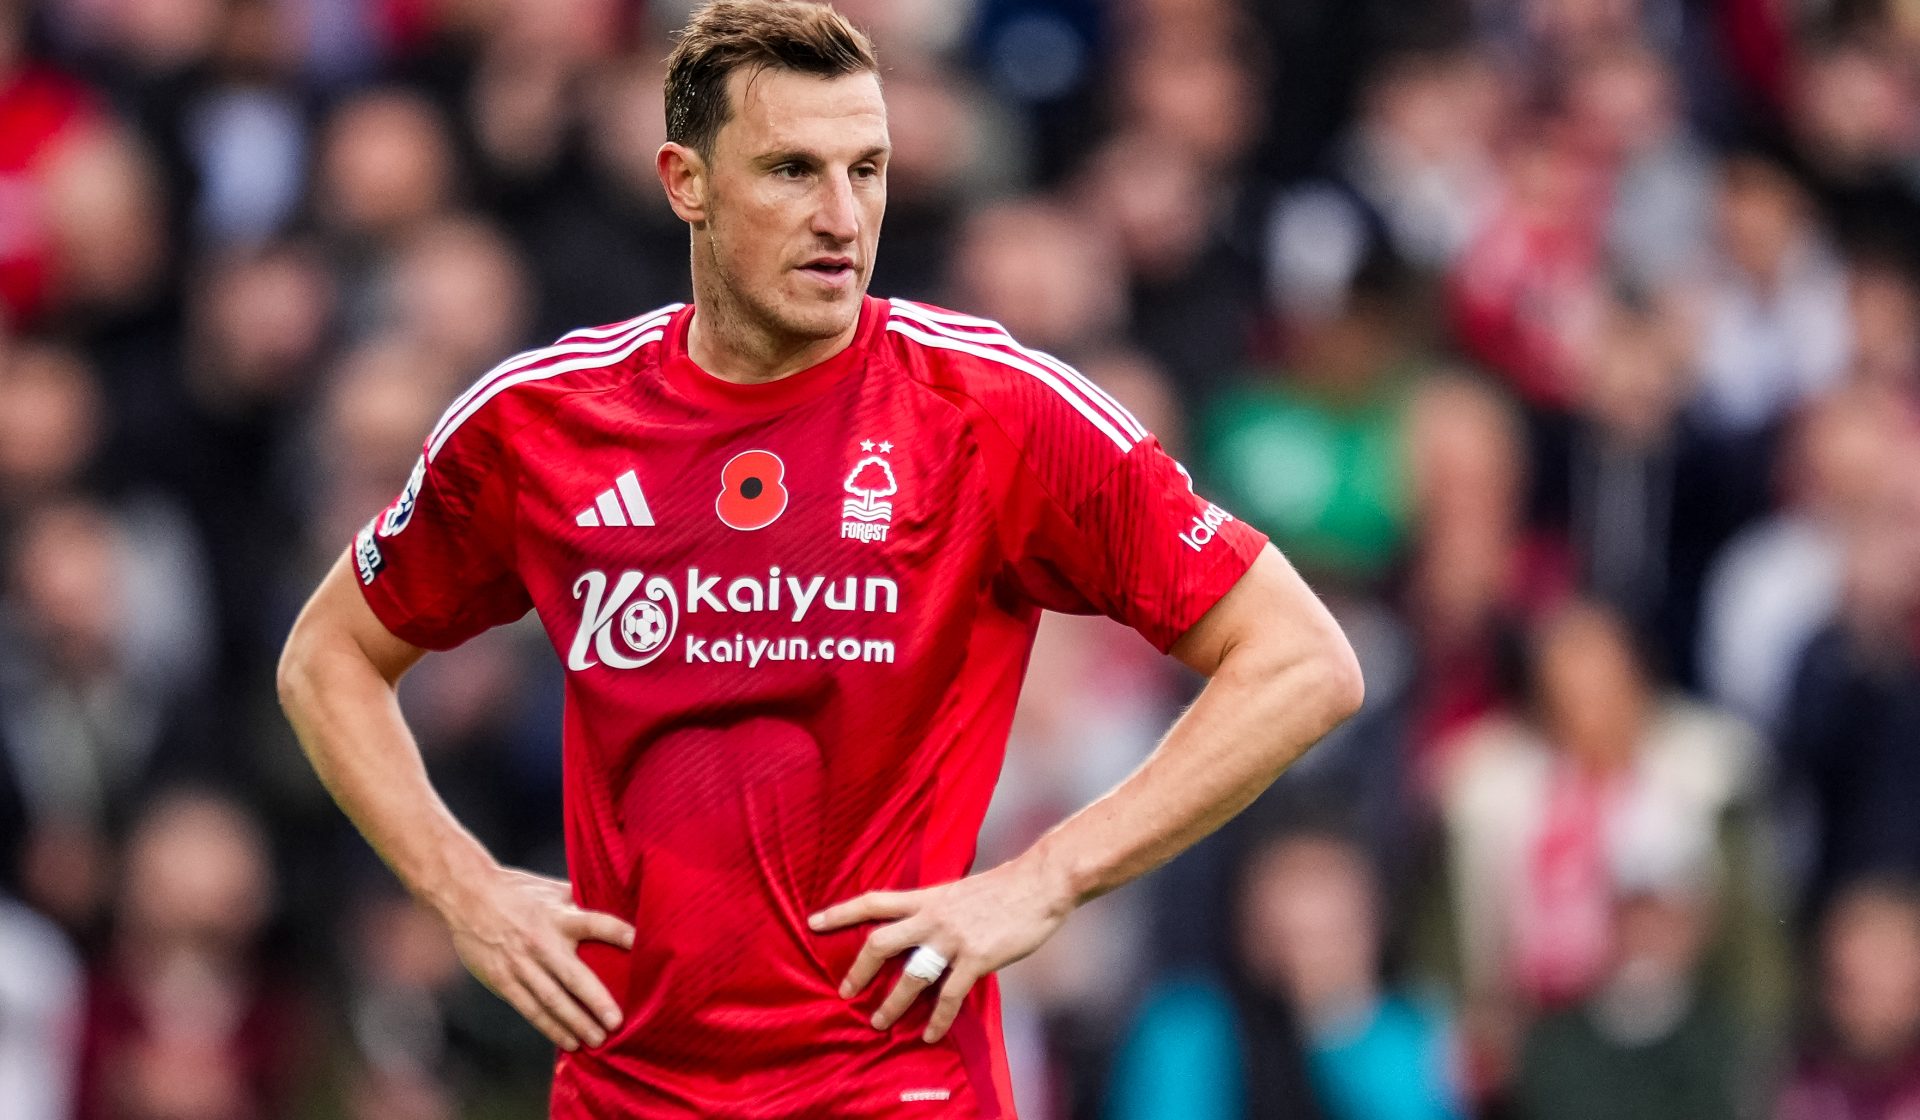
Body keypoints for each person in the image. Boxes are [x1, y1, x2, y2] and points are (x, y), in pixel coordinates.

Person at [274, 3, 1365, 1118]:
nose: (842, 216)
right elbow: (327, 657)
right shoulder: (540, 421)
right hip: (628, 1089)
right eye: (793, 170)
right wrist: (463, 889)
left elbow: (1300, 661)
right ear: (686, 183)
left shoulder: (991, 409)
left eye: (867, 170)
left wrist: (1048, 876)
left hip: (896, 1083)